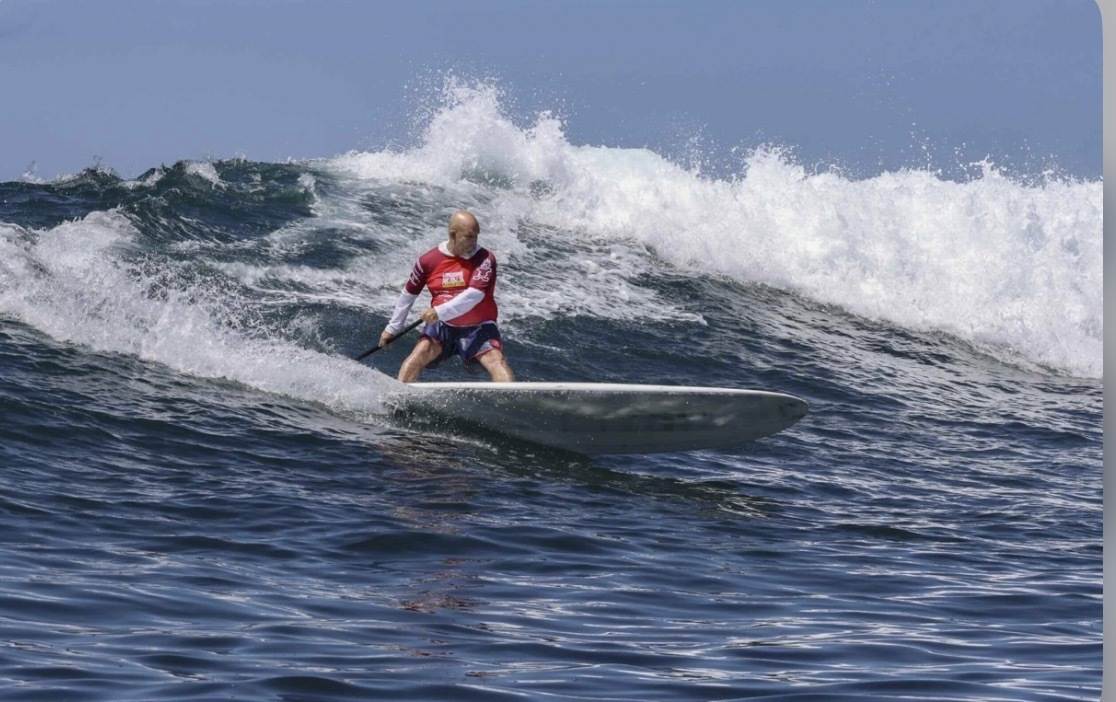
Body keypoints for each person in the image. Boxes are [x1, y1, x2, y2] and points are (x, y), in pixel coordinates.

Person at [379, 210, 515, 383]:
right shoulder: (428, 260)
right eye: (469, 237)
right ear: (453, 234)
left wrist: (439, 311)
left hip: (479, 327)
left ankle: (509, 397)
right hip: (443, 326)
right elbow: (409, 293)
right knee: (419, 354)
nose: (474, 242)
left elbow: (475, 295)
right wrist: (392, 328)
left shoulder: (485, 259)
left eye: (476, 237)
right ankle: (399, 395)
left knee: (496, 360)